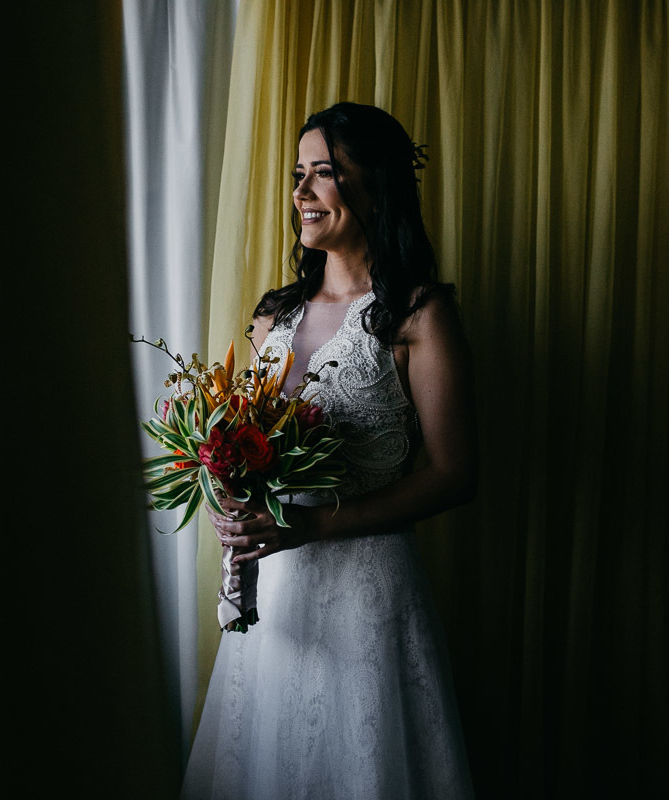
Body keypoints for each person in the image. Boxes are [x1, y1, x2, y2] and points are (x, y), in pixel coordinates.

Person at [183, 102, 476, 799]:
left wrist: (313, 525)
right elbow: (247, 442)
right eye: (298, 174)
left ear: (374, 187)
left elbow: (454, 473)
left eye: (324, 173)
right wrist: (227, 488)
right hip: (276, 594)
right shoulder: (273, 317)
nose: (302, 192)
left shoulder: (418, 315)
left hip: (369, 594)